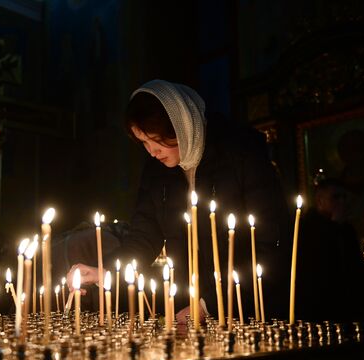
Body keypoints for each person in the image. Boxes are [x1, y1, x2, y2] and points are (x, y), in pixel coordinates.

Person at [67, 80, 290, 322]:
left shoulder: (240, 153)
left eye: (155, 139)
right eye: (144, 142)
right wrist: (106, 270)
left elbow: (271, 244)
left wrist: (209, 306)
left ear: (178, 125)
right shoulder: (156, 172)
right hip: (190, 308)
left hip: (255, 307)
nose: (151, 151)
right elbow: (143, 239)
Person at [295, 178, 364, 324]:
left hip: (348, 307)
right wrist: (334, 226)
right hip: (321, 308)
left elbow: (356, 266)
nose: (342, 202)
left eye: (344, 197)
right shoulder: (307, 228)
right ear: (320, 200)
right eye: (336, 197)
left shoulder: (346, 229)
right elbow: (318, 265)